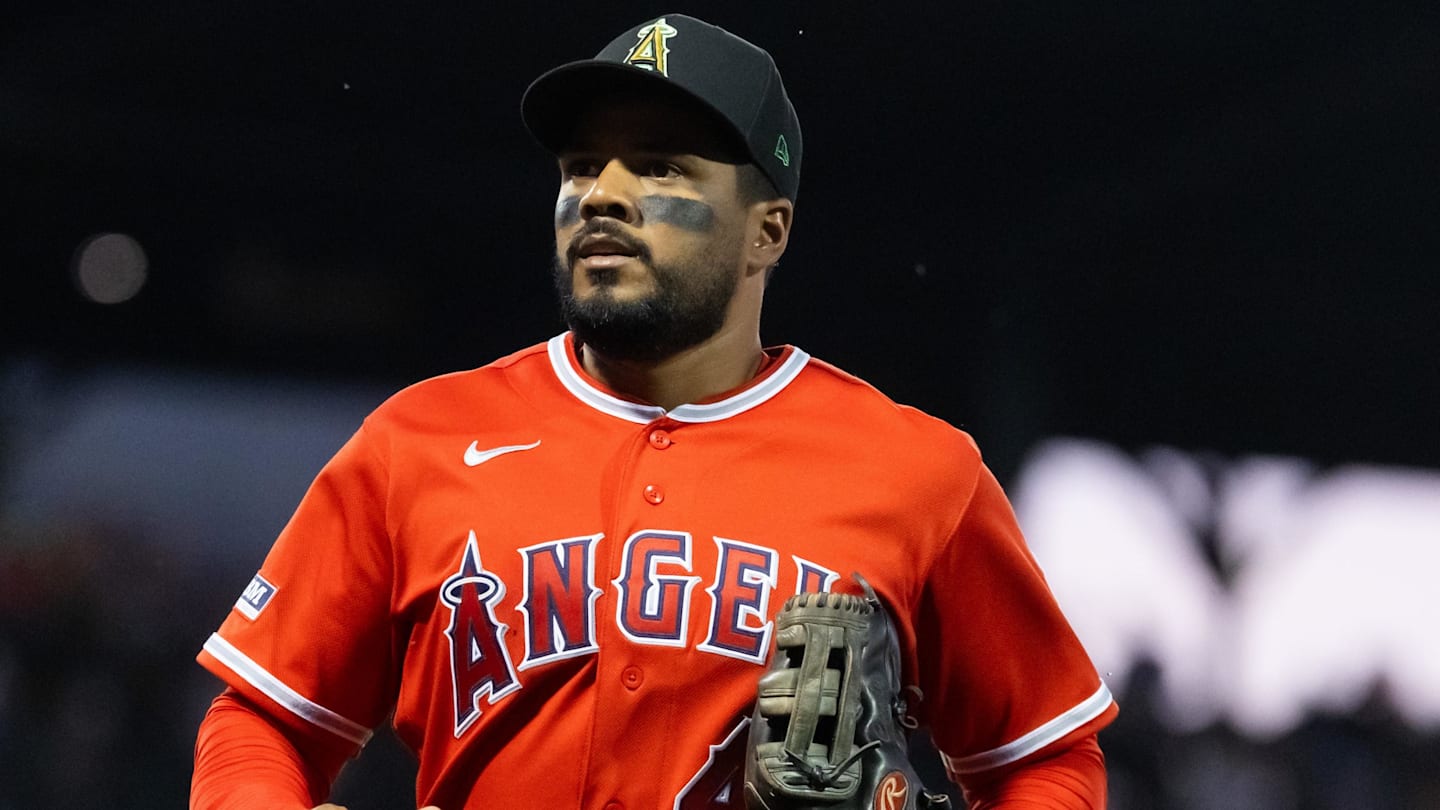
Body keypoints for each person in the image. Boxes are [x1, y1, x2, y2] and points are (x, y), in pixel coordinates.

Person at [189, 13, 1117, 810]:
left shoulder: (918, 474)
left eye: (663, 169)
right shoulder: (418, 441)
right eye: (584, 164)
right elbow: (262, 719)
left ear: (769, 231)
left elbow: (1046, 755)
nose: (604, 194)